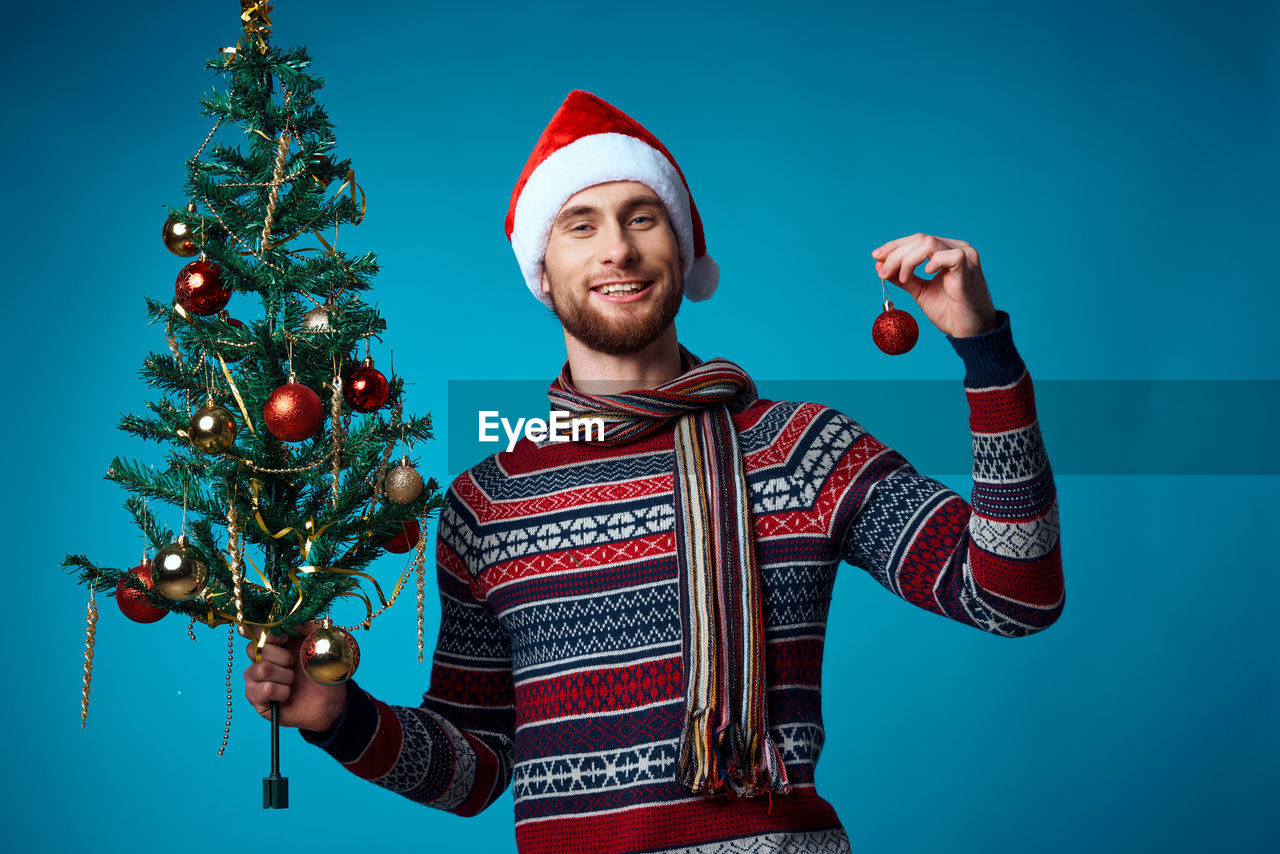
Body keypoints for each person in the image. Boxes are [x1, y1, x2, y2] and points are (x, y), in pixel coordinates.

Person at [243, 90, 1064, 854]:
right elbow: (478, 771)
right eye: (581, 225)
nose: (619, 250)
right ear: (543, 271)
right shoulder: (482, 506)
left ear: (682, 250)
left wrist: (984, 352)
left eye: (644, 218)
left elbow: (1013, 593)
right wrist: (339, 718)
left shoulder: (800, 448)